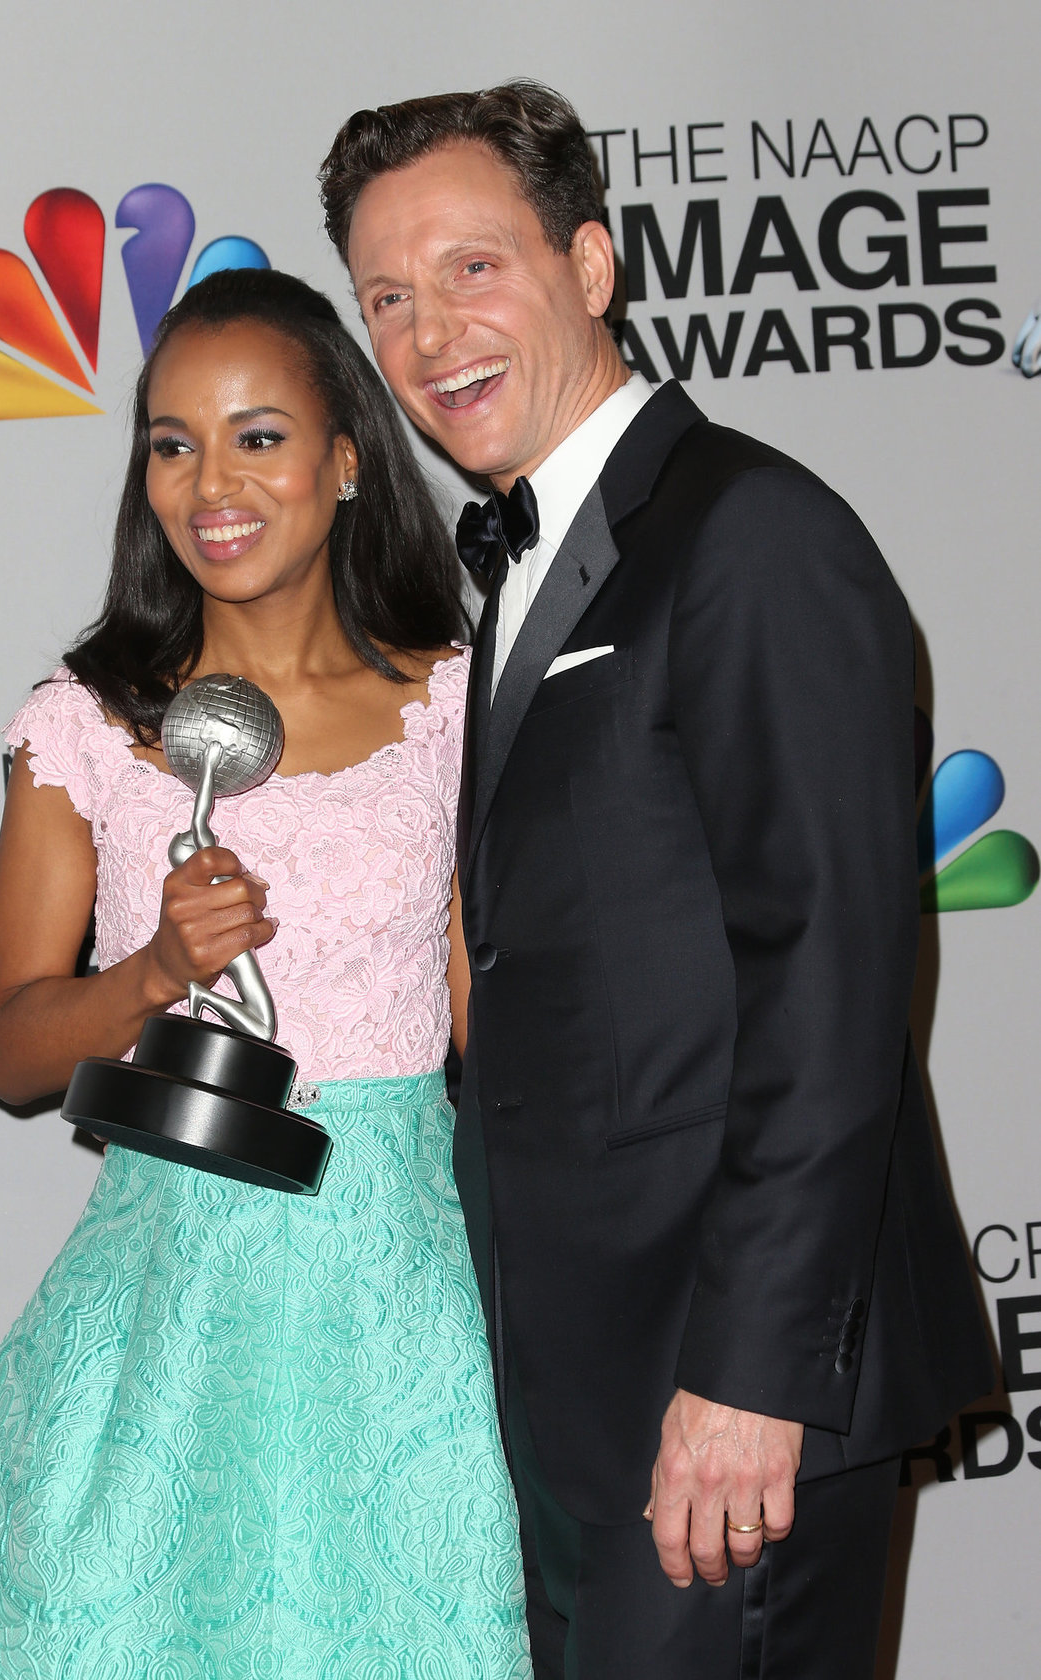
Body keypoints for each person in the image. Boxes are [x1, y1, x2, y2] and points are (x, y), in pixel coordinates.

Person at [321, 81, 994, 1680]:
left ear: (594, 265)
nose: (429, 337)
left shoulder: (750, 535)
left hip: (726, 1397)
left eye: (473, 270)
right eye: (388, 299)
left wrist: (751, 1377)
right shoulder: (515, 566)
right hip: (585, 1393)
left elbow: (829, 985)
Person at [0, 268, 531, 1680]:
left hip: (401, 1305)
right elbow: (13, 1050)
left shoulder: (457, 702)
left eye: (257, 437)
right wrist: (156, 967)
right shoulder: (90, 724)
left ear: (346, 460)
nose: (208, 483)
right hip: (169, 1304)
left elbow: (498, 1026)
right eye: (171, 442)